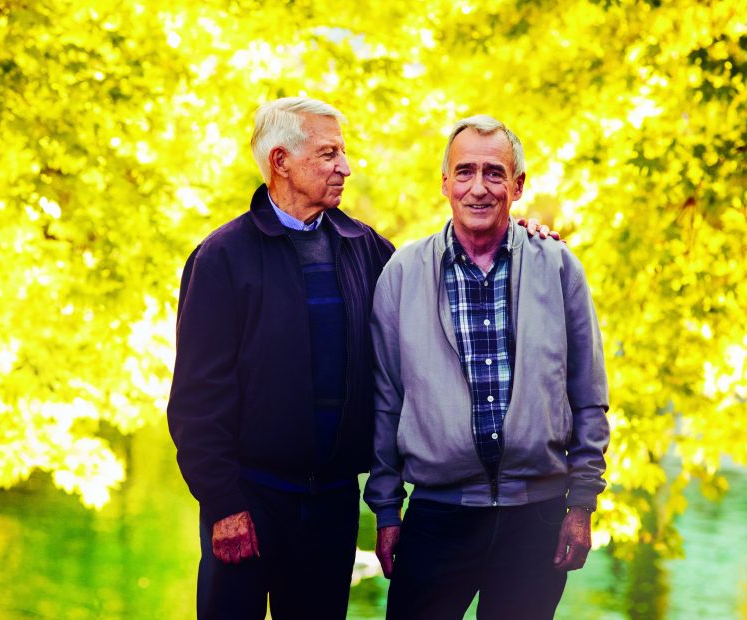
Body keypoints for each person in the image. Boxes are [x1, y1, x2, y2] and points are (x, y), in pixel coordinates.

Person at [167, 99, 557, 619]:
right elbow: (196, 403)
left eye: (343, 153)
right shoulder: (222, 259)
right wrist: (223, 503)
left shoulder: (366, 249)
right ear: (281, 161)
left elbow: (446, 274)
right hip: (249, 500)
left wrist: (518, 235)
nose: (345, 167)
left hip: (332, 504)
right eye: (329, 154)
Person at [365, 115, 610, 620]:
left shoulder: (559, 267)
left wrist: (581, 504)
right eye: (465, 172)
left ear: (518, 186)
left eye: (495, 173)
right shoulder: (403, 274)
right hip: (437, 515)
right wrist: (388, 511)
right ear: (445, 182)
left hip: (536, 518)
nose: (479, 188)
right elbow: (385, 403)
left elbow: (588, 394)